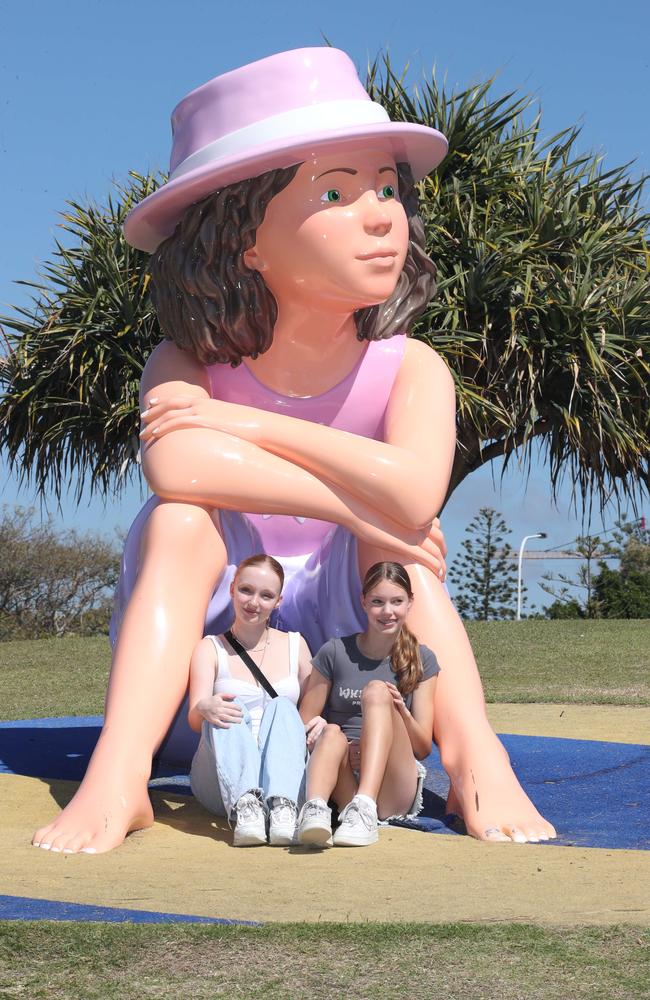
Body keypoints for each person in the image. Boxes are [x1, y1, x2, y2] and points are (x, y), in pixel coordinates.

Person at [32, 46, 555, 855]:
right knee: (180, 522)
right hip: (214, 675)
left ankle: (479, 755)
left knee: (396, 551)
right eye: (337, 193)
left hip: (353, 666)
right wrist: (367, 502)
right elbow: (179, 469)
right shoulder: (185, 359)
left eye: (385, 187)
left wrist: (249, 426)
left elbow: (417, 493)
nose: (382, 215)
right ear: (244, 239)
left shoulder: (412, 368)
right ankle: (120, 772)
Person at [297, 562, 438, 847]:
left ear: (410, 602)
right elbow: (303, 725)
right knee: (332, 732)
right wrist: (343, 747)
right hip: (343, 775)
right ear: (364, 602)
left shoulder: (423, 659)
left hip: (392, 786)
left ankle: (364, 806)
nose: (388, 612)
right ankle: (315, 812)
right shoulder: (334, 652)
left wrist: (400, 710)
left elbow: (422, 748)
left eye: (397, 601)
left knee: (376, 691)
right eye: (377, 602)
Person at [188, 554, 311, 847]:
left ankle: (283, 807)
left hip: (285, 775)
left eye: (266, 595)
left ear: (278, 601)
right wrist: (204, 707)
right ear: (232, 589)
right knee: (226, 707)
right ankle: (247, 806)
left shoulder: (296, 644)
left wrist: (317, 723)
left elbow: (315, 708)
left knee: (283, 705)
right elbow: (195, 719)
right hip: (221, 780)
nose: (253, 602)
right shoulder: (210, 648)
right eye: (246, 590)